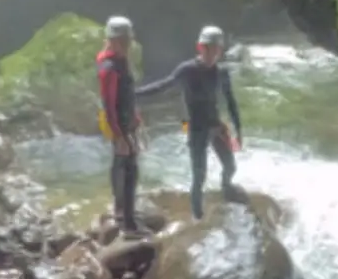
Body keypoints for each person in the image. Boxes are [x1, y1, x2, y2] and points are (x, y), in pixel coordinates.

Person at [136, 25, 243, 220]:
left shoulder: (221, 73)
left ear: (220, 50)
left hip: (216, 127)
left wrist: (238, 129)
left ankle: (226, 188)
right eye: (208, 48)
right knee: (199, 176)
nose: (212, 53)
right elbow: (163, 86)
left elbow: (231, 102)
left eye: (217, 49)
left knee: (230, 167)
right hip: (196, 129)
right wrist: (134, 95)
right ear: (200, 47)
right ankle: (197, 217)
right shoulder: (188, 70)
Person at [96, 15, 144, 236]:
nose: (126, 45)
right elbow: (109, 105)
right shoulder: (109, 67)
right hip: (116, 123)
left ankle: (123, 211)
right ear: (112, 41)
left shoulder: (122, 61)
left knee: (124, 164)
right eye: (122, 41)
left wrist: (135, 115)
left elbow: (127, 94)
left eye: (128, 41)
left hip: (126, 121)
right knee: (128, 169)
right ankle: (127, 220)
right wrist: (120, 136)